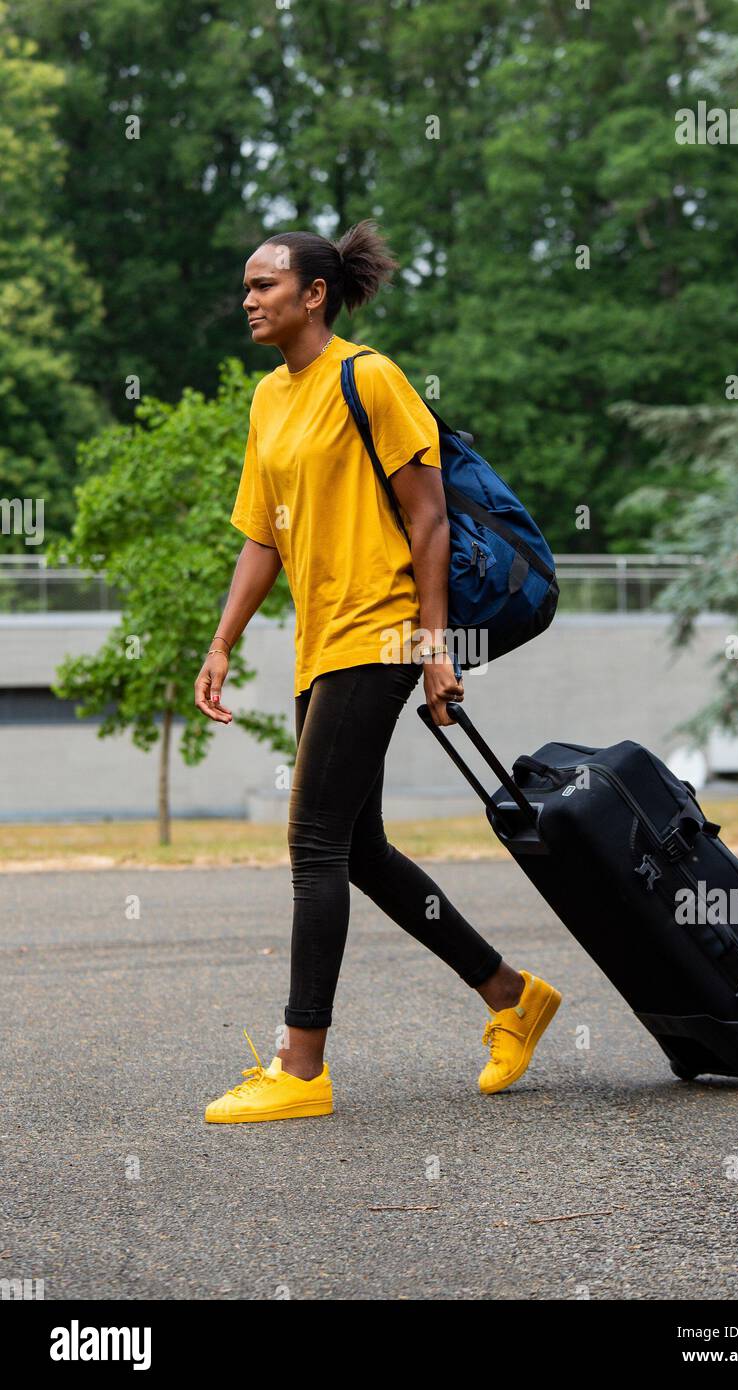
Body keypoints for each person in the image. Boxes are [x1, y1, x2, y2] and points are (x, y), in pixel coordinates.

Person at [194, 219, 561, 1123]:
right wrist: (222, 640)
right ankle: (511, 996)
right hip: (318, 642)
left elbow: (428, 519)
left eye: (266, 285)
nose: (249, 299)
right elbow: (262, 536)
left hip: (384, 630)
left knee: (311, 839)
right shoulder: (268, 402)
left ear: (313, 294)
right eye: (246, 286)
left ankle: (301, 1066)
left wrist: (435, 648)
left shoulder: (372, 378)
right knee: (356, 849)